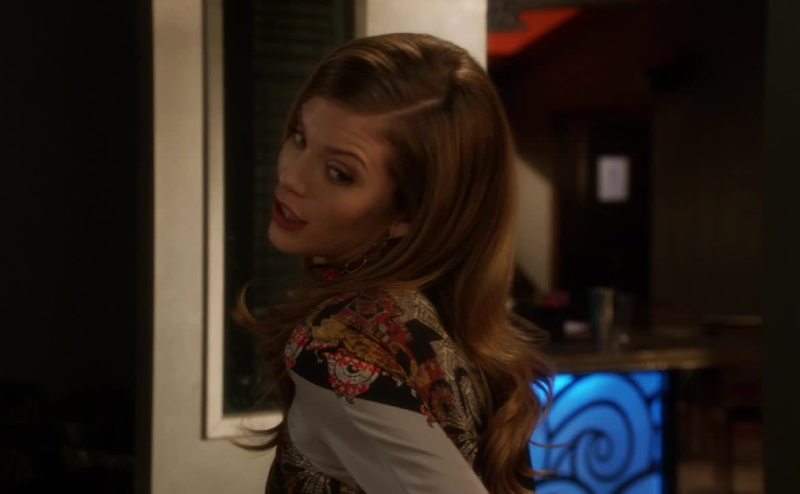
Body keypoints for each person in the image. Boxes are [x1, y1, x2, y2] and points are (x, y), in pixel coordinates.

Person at [238, 32, 553, 494]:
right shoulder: (429, 315)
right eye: (299, 138)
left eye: (339, 173)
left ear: (409, 213)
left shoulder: (338, 347)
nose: (290, 176)